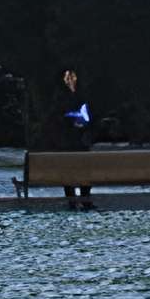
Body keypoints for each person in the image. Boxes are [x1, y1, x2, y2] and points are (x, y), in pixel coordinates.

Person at [54, 67, 96, 206]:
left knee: (84, 169)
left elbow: (90, 115)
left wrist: (83, 123)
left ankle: (84, 199)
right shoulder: (61, 96)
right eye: (68, 77)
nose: (70, 80)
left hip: (80, 139)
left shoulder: (81, 95)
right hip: (69, 139)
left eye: (73, 77)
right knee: (70, 170)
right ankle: (73, 200)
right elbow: (59, 116)